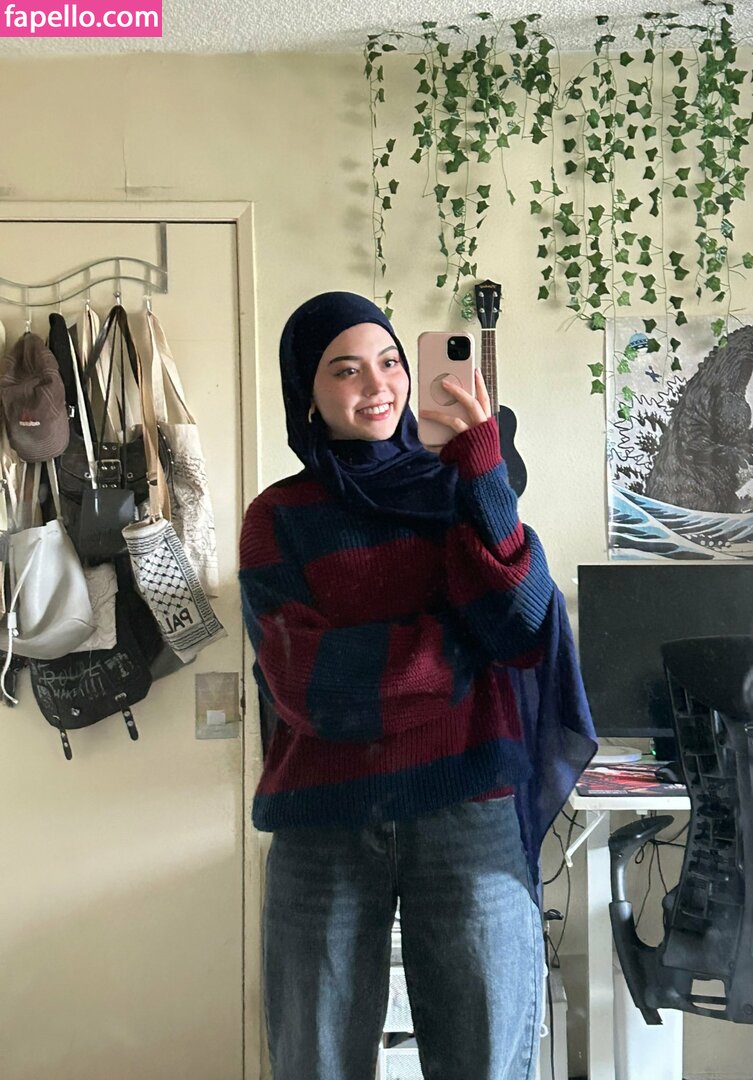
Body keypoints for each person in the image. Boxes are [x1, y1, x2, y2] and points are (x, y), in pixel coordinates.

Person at [239, 292, 595, 1080]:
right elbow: (311, 685)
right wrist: (459, 647)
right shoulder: (276, 518)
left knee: (484, 1060)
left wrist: (484, 475)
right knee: (314, 1061)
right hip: (325, 824)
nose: (378, 384)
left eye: (390, 361)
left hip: (467, 811)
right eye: (345, 369)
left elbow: (521, 624)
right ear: (307, 393)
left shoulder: (462, 488)